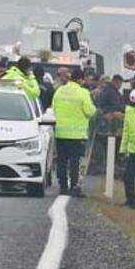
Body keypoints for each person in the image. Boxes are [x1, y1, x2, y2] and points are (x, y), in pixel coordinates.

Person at [52, 68, 96, 196]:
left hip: (60, 133)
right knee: (75, 162)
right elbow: (89, 111)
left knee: (61, 161)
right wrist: (94, 110)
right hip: (77, 135)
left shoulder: (59, 91)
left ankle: (63, 186)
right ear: (81, 80)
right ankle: (74, 187)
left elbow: (53, 108)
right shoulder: (83, 92)